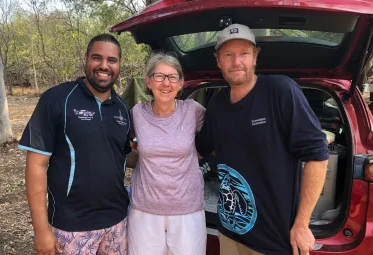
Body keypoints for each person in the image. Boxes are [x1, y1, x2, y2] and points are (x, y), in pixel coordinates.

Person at [195, 24, 329, 255]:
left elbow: (317, 156)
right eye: (228, 55)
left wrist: (302, 223)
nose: (236, 61)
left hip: (274, 241)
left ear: (255, 56)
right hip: (229, 231)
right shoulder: (216, 105)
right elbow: (200, 149)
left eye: (244, 53)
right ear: (218, 60)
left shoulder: (280, 90)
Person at [18, 33, 137, 255]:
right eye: (97, 58)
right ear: (85, 58)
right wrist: (41, 229)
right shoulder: (56, 99)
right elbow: (36, 165)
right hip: (71, 226)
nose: (104, 65)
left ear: (119, 64)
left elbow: (123, 155)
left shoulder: (122, 108)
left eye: (112, 60)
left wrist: (161, 156)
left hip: (117, 222)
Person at [127, 53, 207, 255]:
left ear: (181, 84)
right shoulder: (137, 113)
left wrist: (199, 154)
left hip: (187, 210)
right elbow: (121, 144)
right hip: (144, 210)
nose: (166, 83)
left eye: (172, 77)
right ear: (148, 81)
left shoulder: (192, 111)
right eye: (159, 76)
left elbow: (215, 138)